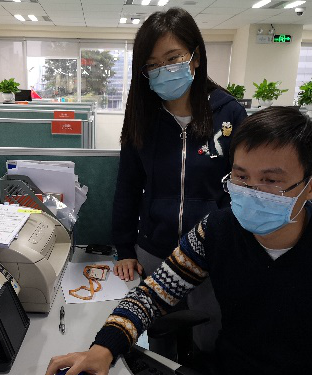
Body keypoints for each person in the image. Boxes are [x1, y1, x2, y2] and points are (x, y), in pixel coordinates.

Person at [42, 107, 312, 375]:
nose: (252, 192)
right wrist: (103, 348)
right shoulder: (216, 230)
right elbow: (152, 294)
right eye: (241, 177)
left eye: (271, 181)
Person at [112, 7, 247, 355]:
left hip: (212, 254)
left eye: (173, 58)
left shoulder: (229, 113)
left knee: (211, 343)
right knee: (160, 343)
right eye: (152, 64)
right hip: (154, 250)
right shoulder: (143, 115)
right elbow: (127, 186)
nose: (164, 70)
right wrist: (124, 249)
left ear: (195, 57)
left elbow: (244, 186)